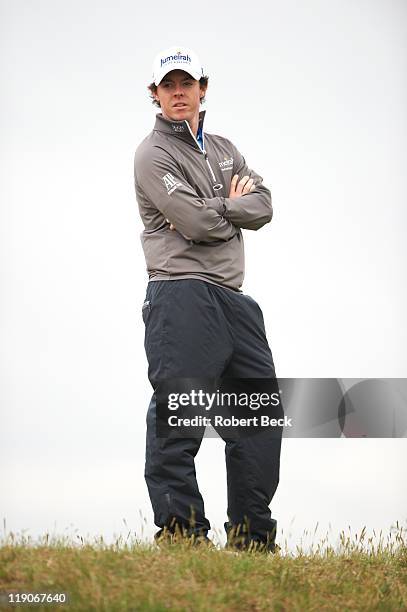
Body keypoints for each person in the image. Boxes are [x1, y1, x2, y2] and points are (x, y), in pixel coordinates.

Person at [134, 46, 282, 552]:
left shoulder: (224, 147)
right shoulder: (152, 154)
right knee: (182, 413)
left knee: (258, 414)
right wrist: (228, 206)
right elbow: (197, 223)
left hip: (234, 299)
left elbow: (262, 206)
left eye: (187, 83)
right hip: (180, 292)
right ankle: (182, 536)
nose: (179, 92)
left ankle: (252, 539)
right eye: (168, 85)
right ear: (154, 95)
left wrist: (216, 209)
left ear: (203, 89)